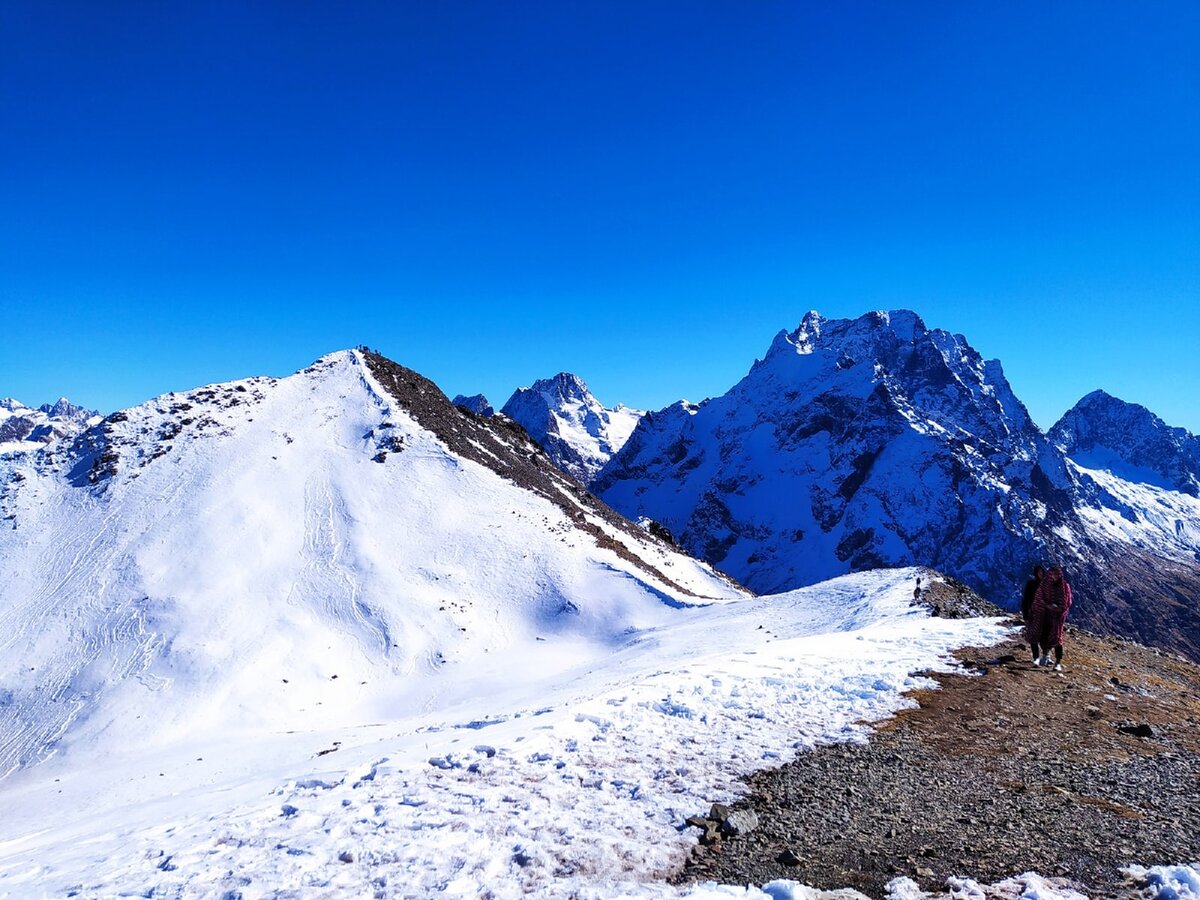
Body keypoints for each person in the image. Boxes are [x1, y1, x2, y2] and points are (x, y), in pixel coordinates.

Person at [1026, 566, 1072, 671]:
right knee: (1043, 636)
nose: (1054, 576)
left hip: (1057, 617)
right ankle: (1045, 655)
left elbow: (1068, 602)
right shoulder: (1044, 585)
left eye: (1056, 574)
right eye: (1052, 574)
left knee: (1057, 638)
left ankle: (1058, 662)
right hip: (1044, 615)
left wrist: (1058, 608)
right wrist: (1047, 605)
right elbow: (1038, 598)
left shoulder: (1065, 586)